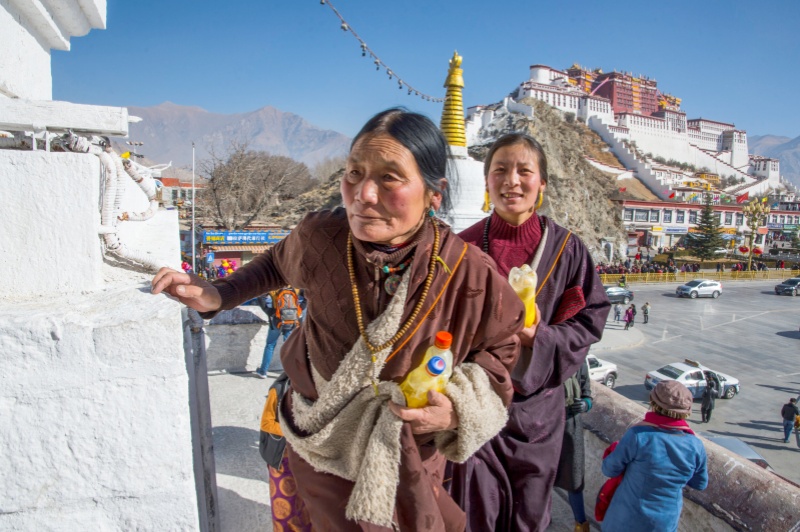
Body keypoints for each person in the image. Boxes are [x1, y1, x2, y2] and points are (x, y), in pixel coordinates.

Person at [151, 108, 525, 530]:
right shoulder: (322, 237)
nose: (362, 194)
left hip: (406, 451)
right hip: (319, 441)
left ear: (434, 193)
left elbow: (503, 345)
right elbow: (276, 262)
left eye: (389, 177)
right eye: (353, 172)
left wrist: (457, 409)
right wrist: (220, 293)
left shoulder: (467, 271)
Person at [451, 133, 610, 531]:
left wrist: (538, 336)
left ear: (541, 183)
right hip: (475, 406)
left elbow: (590, 318)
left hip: (537, 415)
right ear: (486, 182)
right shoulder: (461, 248)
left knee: (528, 517)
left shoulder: (568, 250)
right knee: (475, 514)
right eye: (500, 170)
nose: (512, 181)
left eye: (525, 171)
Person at [601, 380, 708, 531]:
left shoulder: (639, 436)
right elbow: (700, 483)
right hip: (664, 522)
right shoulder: (695, 446)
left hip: (627, 518)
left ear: (654, 404)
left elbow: (609, 469)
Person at [259, 373, 314, 531]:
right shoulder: (279, 389)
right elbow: (267, 423)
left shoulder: (311, 390)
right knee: (285, 505)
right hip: (282, 460)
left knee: (305, 504)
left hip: (304, 459)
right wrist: (293, 432)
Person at [554, 360, 593, 532]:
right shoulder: (548, 356)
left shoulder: (580, 363)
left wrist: (585, 404)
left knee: (574, 480)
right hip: (547, 425)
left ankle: (581, 523)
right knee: (543, 476)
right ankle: (540, 515)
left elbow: (587, 394)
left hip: (571, 427)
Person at [255, 286, 305, 379]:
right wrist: (299, 309)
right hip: (291, 321)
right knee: (290, 348)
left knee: (270, 345)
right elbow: (306, 295)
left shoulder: (274, 287)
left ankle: (263, 371)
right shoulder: (295, 287)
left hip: (276, 320)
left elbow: (260, 297)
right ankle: (290, 373)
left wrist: (269, 311)